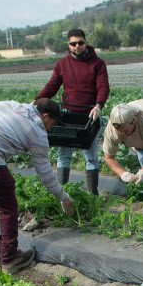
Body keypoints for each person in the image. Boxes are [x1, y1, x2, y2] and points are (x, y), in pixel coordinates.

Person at [0, 97, 76, 274]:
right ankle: (9, 259)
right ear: (45, 116)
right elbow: (46, 175)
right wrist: (64, 197)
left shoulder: (6, 104)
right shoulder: (37, 133)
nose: (50, 128)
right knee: (7, 208)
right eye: (52, 123)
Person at [39, 27, 109, 195]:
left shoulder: (97, 64)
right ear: (68, 45)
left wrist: (98, 106)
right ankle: (62, 193)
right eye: (73, 43)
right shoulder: (62, 64)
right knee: (63, 155)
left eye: (80, 43)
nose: (77, 46)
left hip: (89, 115)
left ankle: (93, 194)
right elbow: (52, 86)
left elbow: (103, 86)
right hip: (68, 114)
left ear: (86, 43)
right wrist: (37, 101)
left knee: (91, 156)